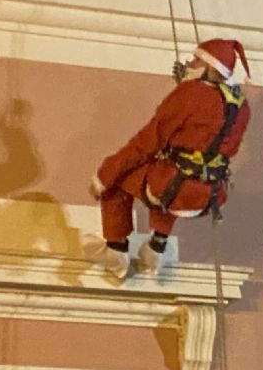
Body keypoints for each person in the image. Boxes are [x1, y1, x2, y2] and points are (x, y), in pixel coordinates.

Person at [91, 39, 253, 279]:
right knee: (168, 186)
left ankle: (116, 250)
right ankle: (157, 246)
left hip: (174, 185)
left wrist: (105, 175)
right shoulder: (241, 107)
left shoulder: (190, 94)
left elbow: (149, 140)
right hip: (210, 194)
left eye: (197, 59)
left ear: (210, 66)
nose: (191, 63)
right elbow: (209, 131)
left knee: (122, 180)